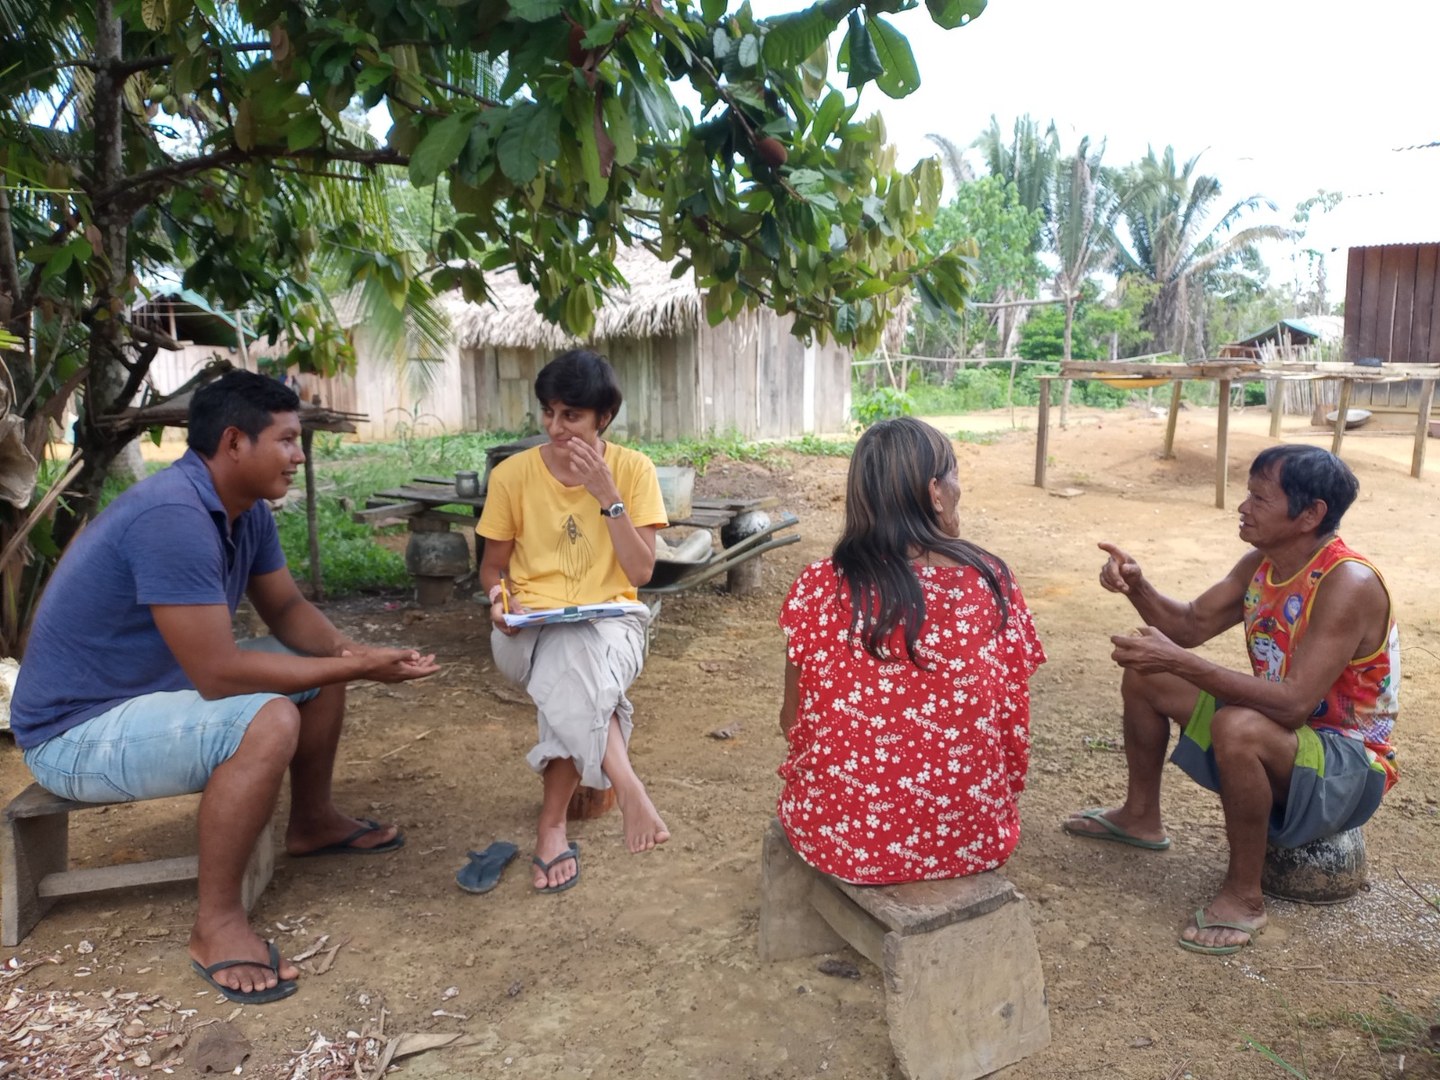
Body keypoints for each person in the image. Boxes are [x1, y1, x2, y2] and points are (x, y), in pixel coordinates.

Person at [10, 371, 439, 1003]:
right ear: (234, 442)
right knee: (269, 717)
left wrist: (356, 653)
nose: (299, 455)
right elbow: (219, 673)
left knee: (315, 662)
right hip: (73, 734)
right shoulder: (174, 517)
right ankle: (216, 925)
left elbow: (289, 610)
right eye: (288, 440)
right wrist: (349, 665)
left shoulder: (242, 510)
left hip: (144, 696)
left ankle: (313, 823)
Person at [1065, 444, 1399, 955]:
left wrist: (1177, 659)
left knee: (1238, 725)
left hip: (1349, 766)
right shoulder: (1261, 565)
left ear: (1311, 514)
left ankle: (1245, 896)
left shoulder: (1347, 582)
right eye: (1249, 494)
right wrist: (1137, 586)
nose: (1244, 507)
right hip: (1291, 740)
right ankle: (1140, 816)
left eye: (1261, 498)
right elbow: (1188, 625)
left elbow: (1290, 705)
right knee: (1146, 673)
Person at [777, 417, 1045, 884]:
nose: (961, 488)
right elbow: (1011, 721)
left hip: (842, 841)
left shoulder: (819, 587)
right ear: (935, 492)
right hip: (970, 840)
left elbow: (792, 721)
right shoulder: (989, 582)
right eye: (955, 476)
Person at [478, 349, 671, 893]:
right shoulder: (513, 475)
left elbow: (641, 571)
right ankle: (626, 784)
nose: (555, 427)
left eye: (572, 416)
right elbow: (493, 569)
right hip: (524, 630)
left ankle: (553, 826)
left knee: (573, 655)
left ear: (602, 418)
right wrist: (498, 600)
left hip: (615, 626)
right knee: (568, 651)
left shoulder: (633, 471)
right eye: (549, 413)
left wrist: (608, 497)